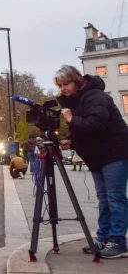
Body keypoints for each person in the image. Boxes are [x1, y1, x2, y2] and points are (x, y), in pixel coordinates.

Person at [56, 65, 128, 259]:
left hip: (114, 152)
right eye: (59, 85)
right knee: (104, 198)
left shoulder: (95, 96)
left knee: (115, 197)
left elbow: (95, 124)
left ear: (76, 81)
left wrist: (70, 119)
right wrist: (71, 139)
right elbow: (84, 127)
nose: (62, 89)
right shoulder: (79, 100)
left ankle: (119, 241)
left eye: (65, 84)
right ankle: (104, 237)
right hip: (98, 155)